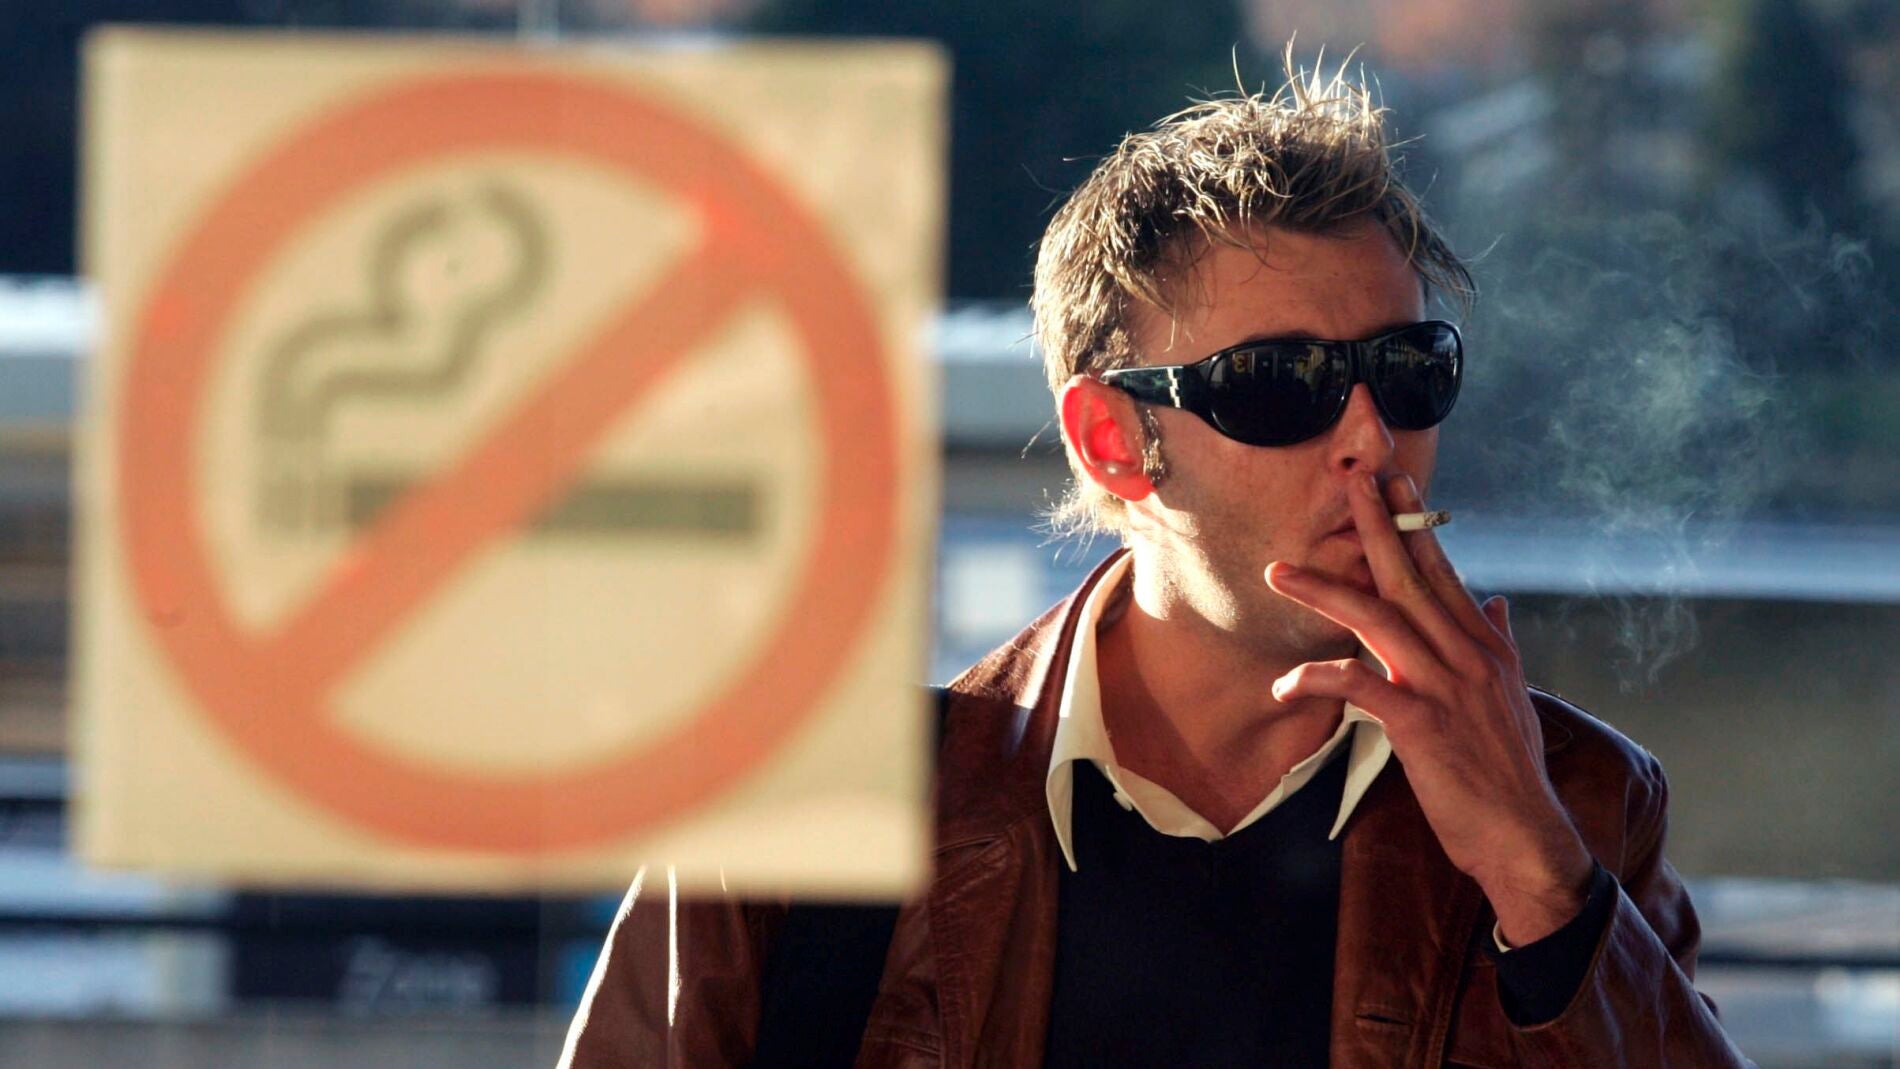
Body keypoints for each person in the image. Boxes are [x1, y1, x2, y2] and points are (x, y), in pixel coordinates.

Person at [559, 59, 1754, 1067]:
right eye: (1278, 384)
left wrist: (1536, 875)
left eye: (1406, 371)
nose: (1369, 437)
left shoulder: (1576, 800)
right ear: (1109, 440)